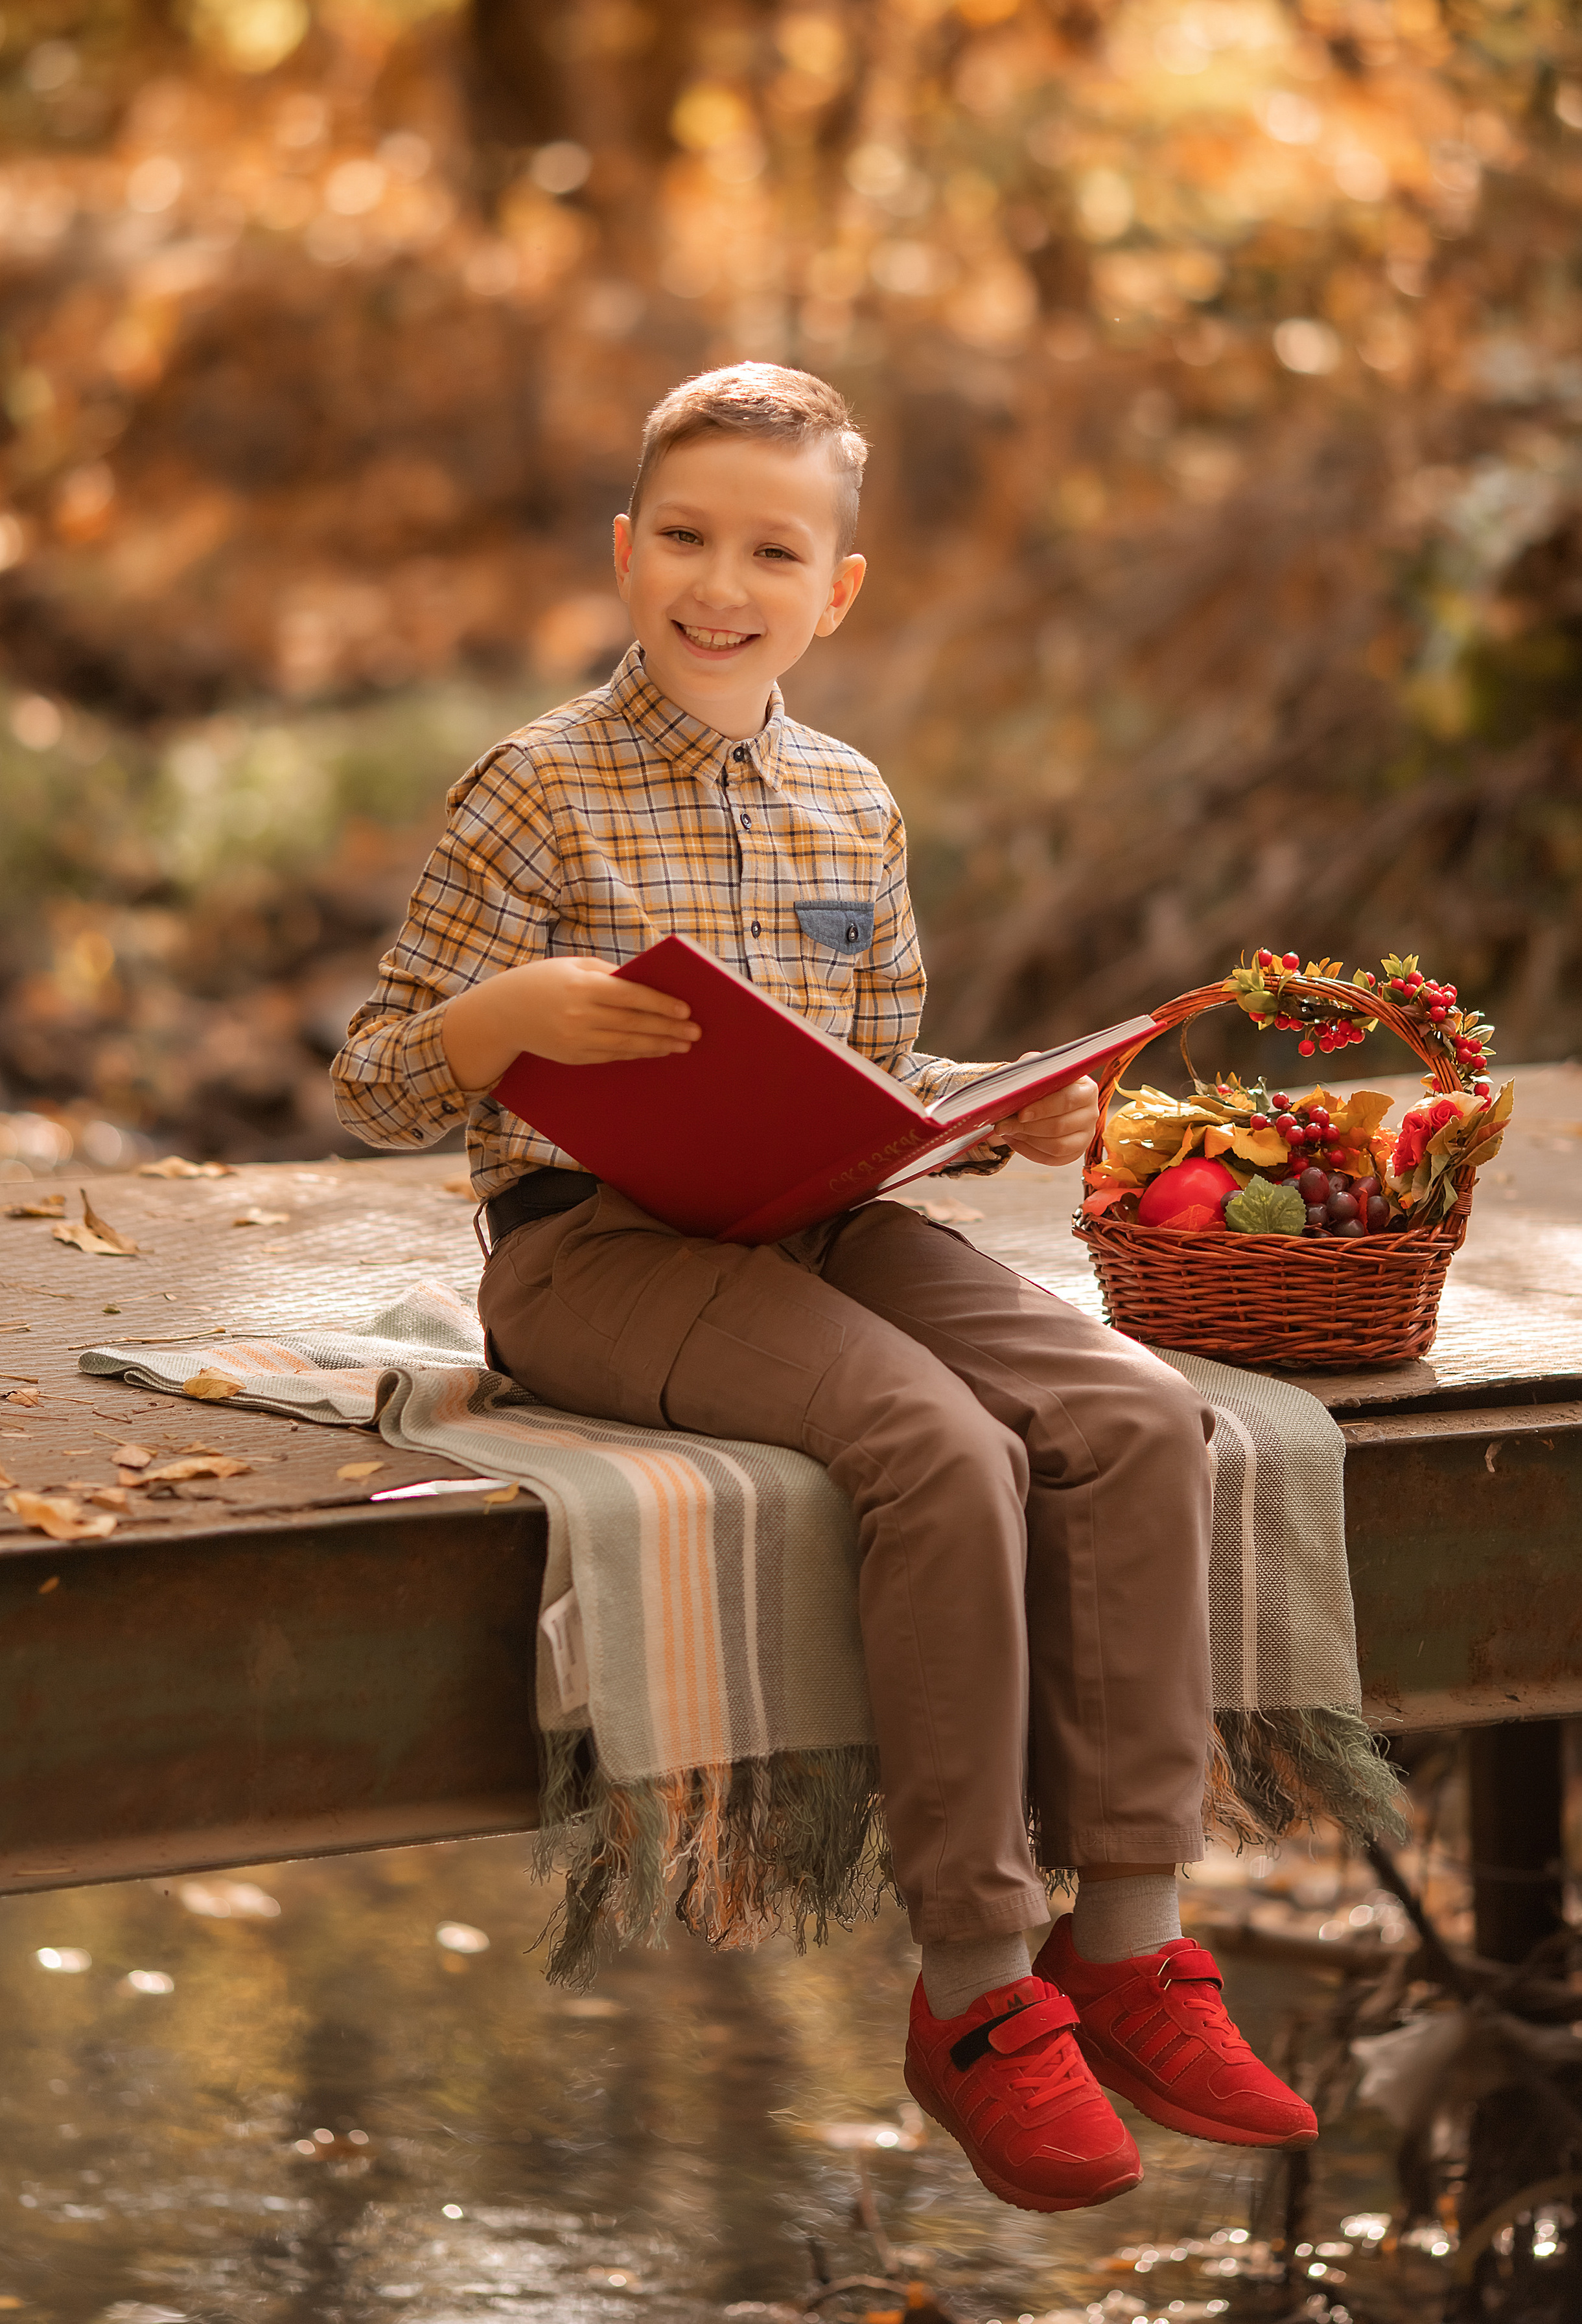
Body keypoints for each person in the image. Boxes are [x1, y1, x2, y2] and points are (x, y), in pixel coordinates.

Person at [332, 362, 1314, 2214]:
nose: (723, 584)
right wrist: (504, 1016)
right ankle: (975, 1991)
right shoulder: (535, 789)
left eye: (773, 551)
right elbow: (378, 1077)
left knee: (1131, 1412)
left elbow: (877, 1079)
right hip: (593, 1251)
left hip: (815, 1218)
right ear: (625, 554)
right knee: (934, 1444)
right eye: (685, 538)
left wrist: (1008, 1112)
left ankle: (1130, 1939)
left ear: (836, 590)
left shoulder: (852, 803)